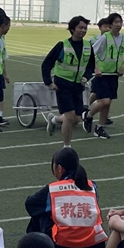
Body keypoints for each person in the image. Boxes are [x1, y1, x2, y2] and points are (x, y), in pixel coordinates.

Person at [25, 148, 107, 248]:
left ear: (59, 168)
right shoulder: (91, 185)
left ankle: (35, 244)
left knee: (42, 211)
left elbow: (30, 204)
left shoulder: (52, 189)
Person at [42, 15, 96, 148]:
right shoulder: (62, 45)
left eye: (85, 28)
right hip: (62, 83)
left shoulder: (88, 46)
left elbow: (90, 66)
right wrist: (49, 82)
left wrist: (86, 76)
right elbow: (46, 64)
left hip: (77, 85)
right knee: (70, 115)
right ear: (72, 29)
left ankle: (54, 119)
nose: (83, 30)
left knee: (76, 119)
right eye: (80, 28)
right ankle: (67, 146)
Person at [84, 13, 124, 139]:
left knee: (107, 104)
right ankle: (88, 115)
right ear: (110, 25)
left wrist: (122, 67)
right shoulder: (104, 38)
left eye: (120, 22)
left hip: (113, 75)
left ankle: (100, 127)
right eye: (116, 22)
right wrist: (96, 68)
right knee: (104, 101)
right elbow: (92, 53)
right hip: (102, 74)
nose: (119, 25)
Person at [86, 18, 111, 123]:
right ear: (100, 27)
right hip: (98, 71)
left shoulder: (111, 39)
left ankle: (102, 116)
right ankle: (86, 110)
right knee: (99, 94)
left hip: (109, 71)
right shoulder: (93, 40)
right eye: (105, 27)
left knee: (102, 94)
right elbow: (90, 54)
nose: (107, 29)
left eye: (109, 27)